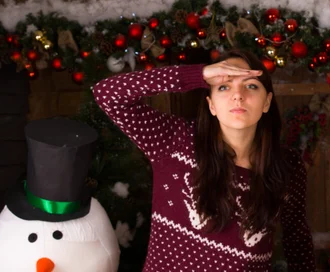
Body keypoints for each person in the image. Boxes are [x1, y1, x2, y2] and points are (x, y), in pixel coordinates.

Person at [94, 49, 316, 272]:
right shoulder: (173, 142)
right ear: (211, 104)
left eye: (250, 85)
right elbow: (107, 94)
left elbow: (297, 241)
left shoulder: (288, 166)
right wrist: (198, 75)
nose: (237, 95)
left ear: (266, 102)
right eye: (223, 86)